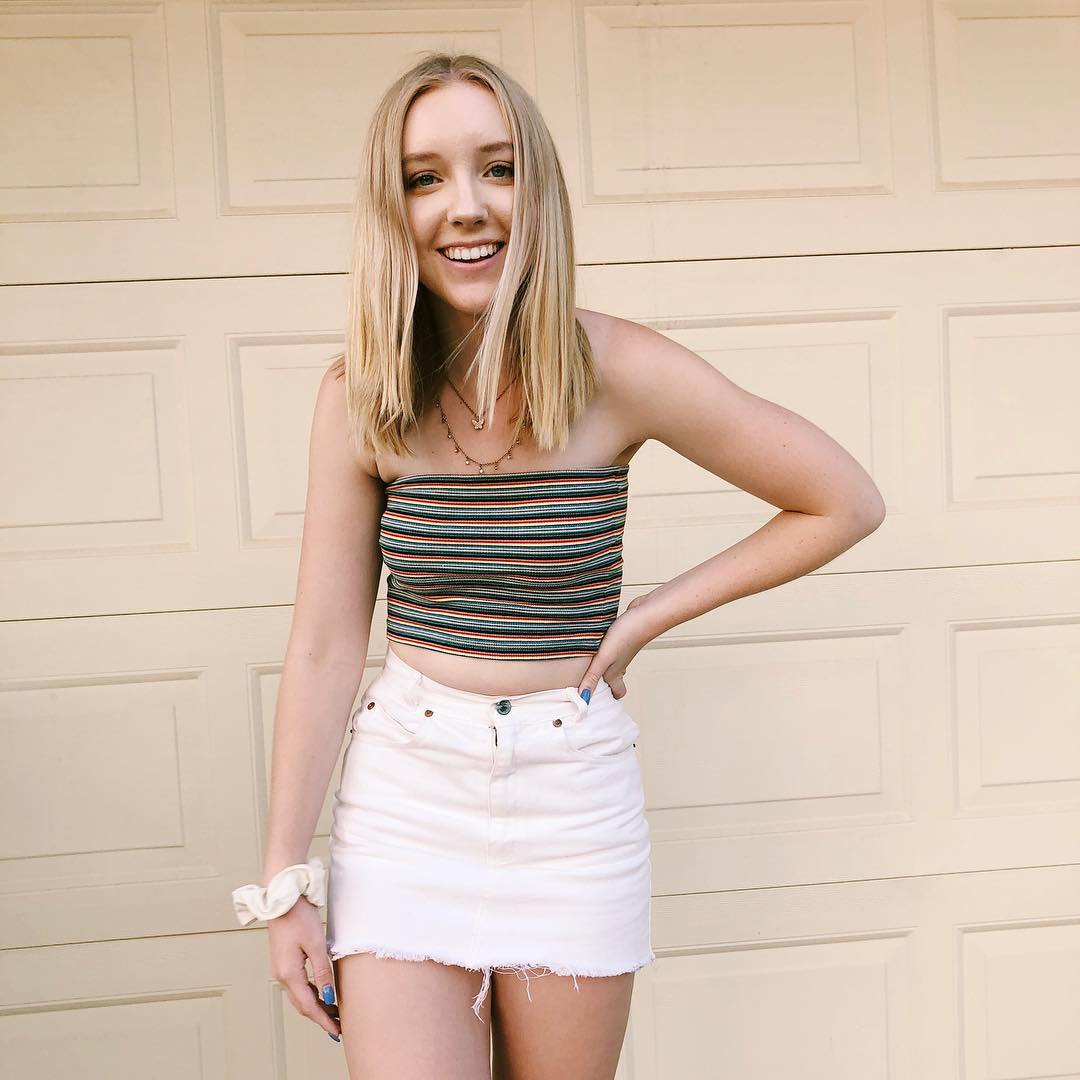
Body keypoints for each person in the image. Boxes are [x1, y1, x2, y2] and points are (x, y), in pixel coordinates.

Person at [231, 52, 886, 1077]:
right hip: (409, 794)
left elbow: (842, 499)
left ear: (537, 190)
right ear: (393, 210)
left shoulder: (619, 368)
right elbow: (322, 647)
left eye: (497, 168)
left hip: (572, 801)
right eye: (425, 177)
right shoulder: (359, 395)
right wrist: (285, 882)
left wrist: (644, 619)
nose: (466, 205)